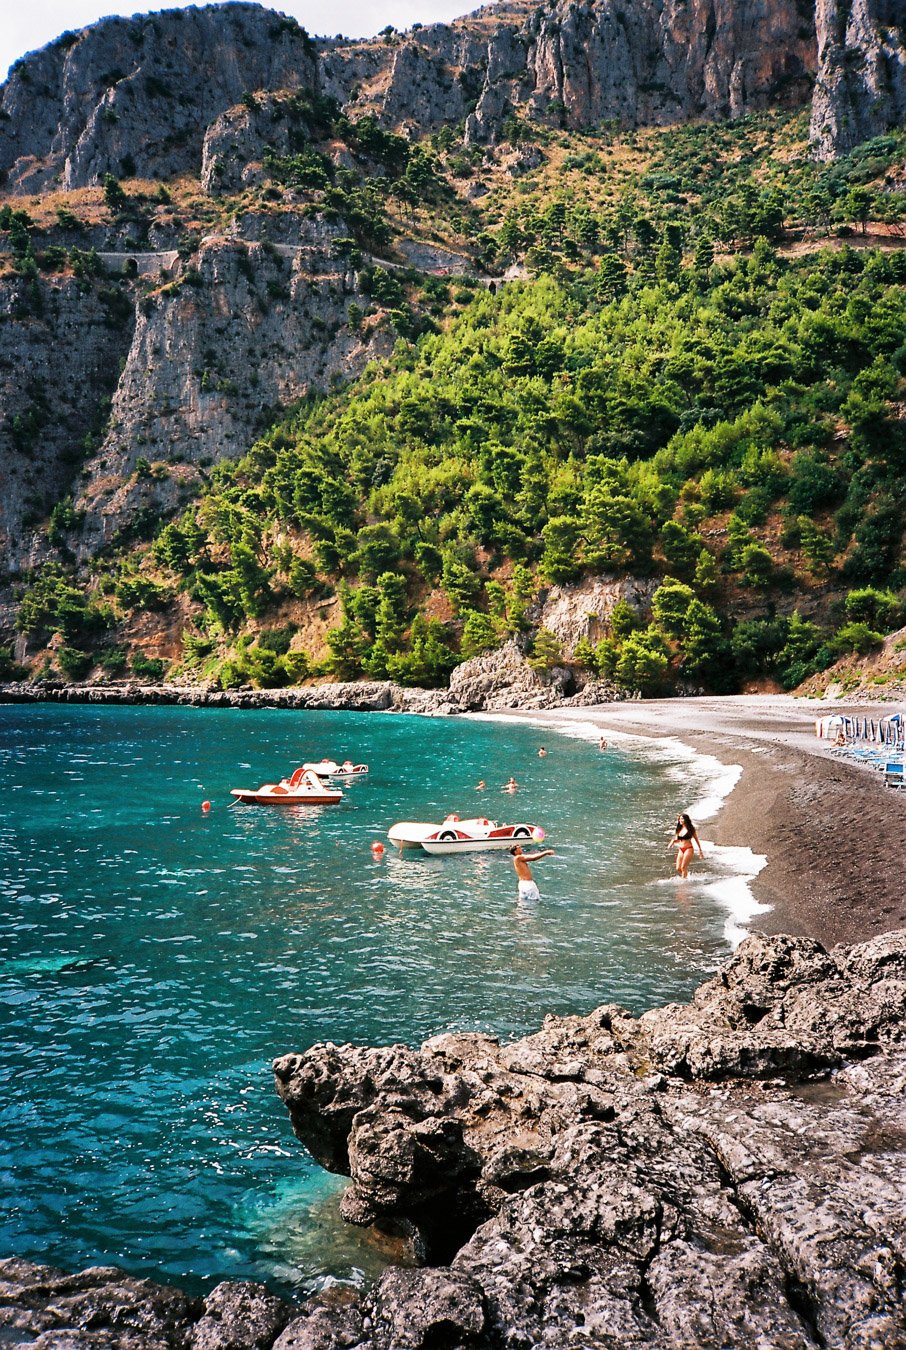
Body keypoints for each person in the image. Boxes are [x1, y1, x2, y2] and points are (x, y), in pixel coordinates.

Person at [669, 813, 704, 879]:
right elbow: (677, 839)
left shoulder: (691, 829)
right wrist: (672, 842)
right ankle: (687, 877)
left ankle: (683, 882)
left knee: (683, 867)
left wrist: (700, 851)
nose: (680, 820)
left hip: (689, 849)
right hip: (681, 849)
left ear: (686, 820)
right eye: (679, 819)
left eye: (682, 819)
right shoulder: (679, 829)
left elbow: (696, 840)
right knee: (678, 868)